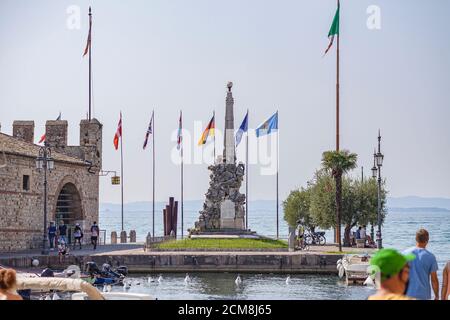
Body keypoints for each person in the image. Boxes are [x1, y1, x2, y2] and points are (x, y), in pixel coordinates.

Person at [402, 228, 439, 300]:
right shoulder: (431, 257)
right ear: (427, 240)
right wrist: (437, 296)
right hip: (423, 295)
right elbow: (434, 280)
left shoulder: (404, 254)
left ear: (416, 239)